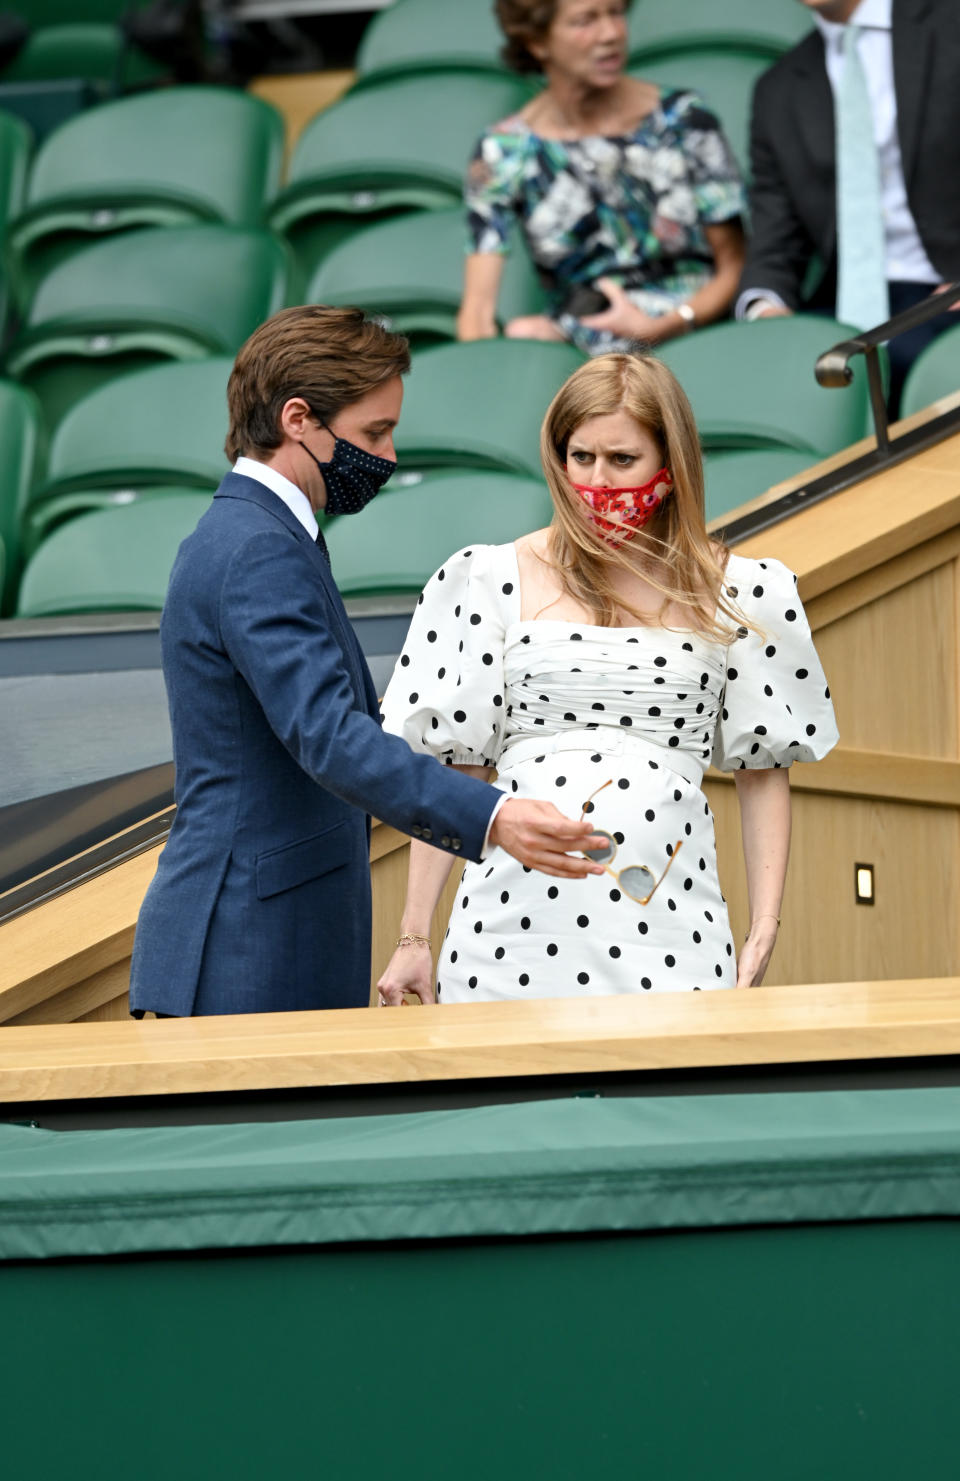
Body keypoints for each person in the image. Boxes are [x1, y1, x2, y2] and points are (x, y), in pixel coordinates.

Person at [129, 306, 605, 1018]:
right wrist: (494, 815)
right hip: (245, 949)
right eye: (372, 432)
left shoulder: (264, 535)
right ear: (298, 419)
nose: (386, 455)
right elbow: (329, 736)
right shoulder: (258, 547)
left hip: (270, 935)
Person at [377, 353, 838, 1004]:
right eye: (581, 456)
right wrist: (413, 935)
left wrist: (766, 921)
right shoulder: (487, 576)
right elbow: (461, 767)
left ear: (670, 466)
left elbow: (763, 771)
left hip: (671, 922)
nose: (598, 480)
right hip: (507, 931)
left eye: (622, 460)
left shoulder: (743, 588)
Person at [458, 0, 746, 356]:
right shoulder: (503, 149)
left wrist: (663, 327)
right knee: (523, 334)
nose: (611, 34)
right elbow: (478, 311)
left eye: (616, 13)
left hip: (693, 337)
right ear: (537, 41)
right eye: (585, 21)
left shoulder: (683, 120)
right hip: (583, 358)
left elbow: (735, 265)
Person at [737, 0, 960, 414]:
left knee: (891, 368)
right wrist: (765, 310)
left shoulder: (948, 23)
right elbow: (775, 238)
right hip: (846, 300)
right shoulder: (778, 89)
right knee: (777, 378)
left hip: (946, 285)